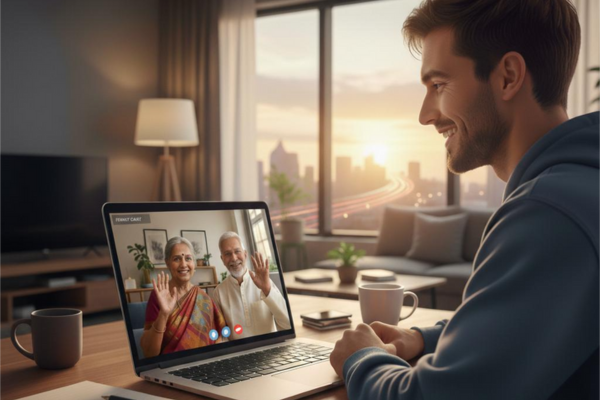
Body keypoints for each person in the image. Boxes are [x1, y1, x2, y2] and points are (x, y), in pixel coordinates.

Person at [329, 1, 599, 399]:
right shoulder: (580, 187)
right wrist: (423, 339)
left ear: (507, 76)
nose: (425, 115)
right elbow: (529, 325)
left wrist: (362, 358)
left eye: (439, 86)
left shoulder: (549, 212)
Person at [141, 236, 226, 357]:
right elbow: (149, 353)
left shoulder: (204, 298)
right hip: (171, 367)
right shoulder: (159, 296)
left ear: (194, 263)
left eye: (188, 258)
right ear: (167, 263)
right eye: (176, 259)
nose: (183, 264)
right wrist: (163, 314)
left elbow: (219, 337)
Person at [212, 231, 291, 339]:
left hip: (270, 351)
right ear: (222, 259)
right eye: (227, 254)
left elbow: (287, 324)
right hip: (237, 353)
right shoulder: (218, 292)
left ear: (245, 254)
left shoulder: (265, 282)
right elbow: (221, 335)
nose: (234, 258)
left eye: (237, 251)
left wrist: (267, 289)